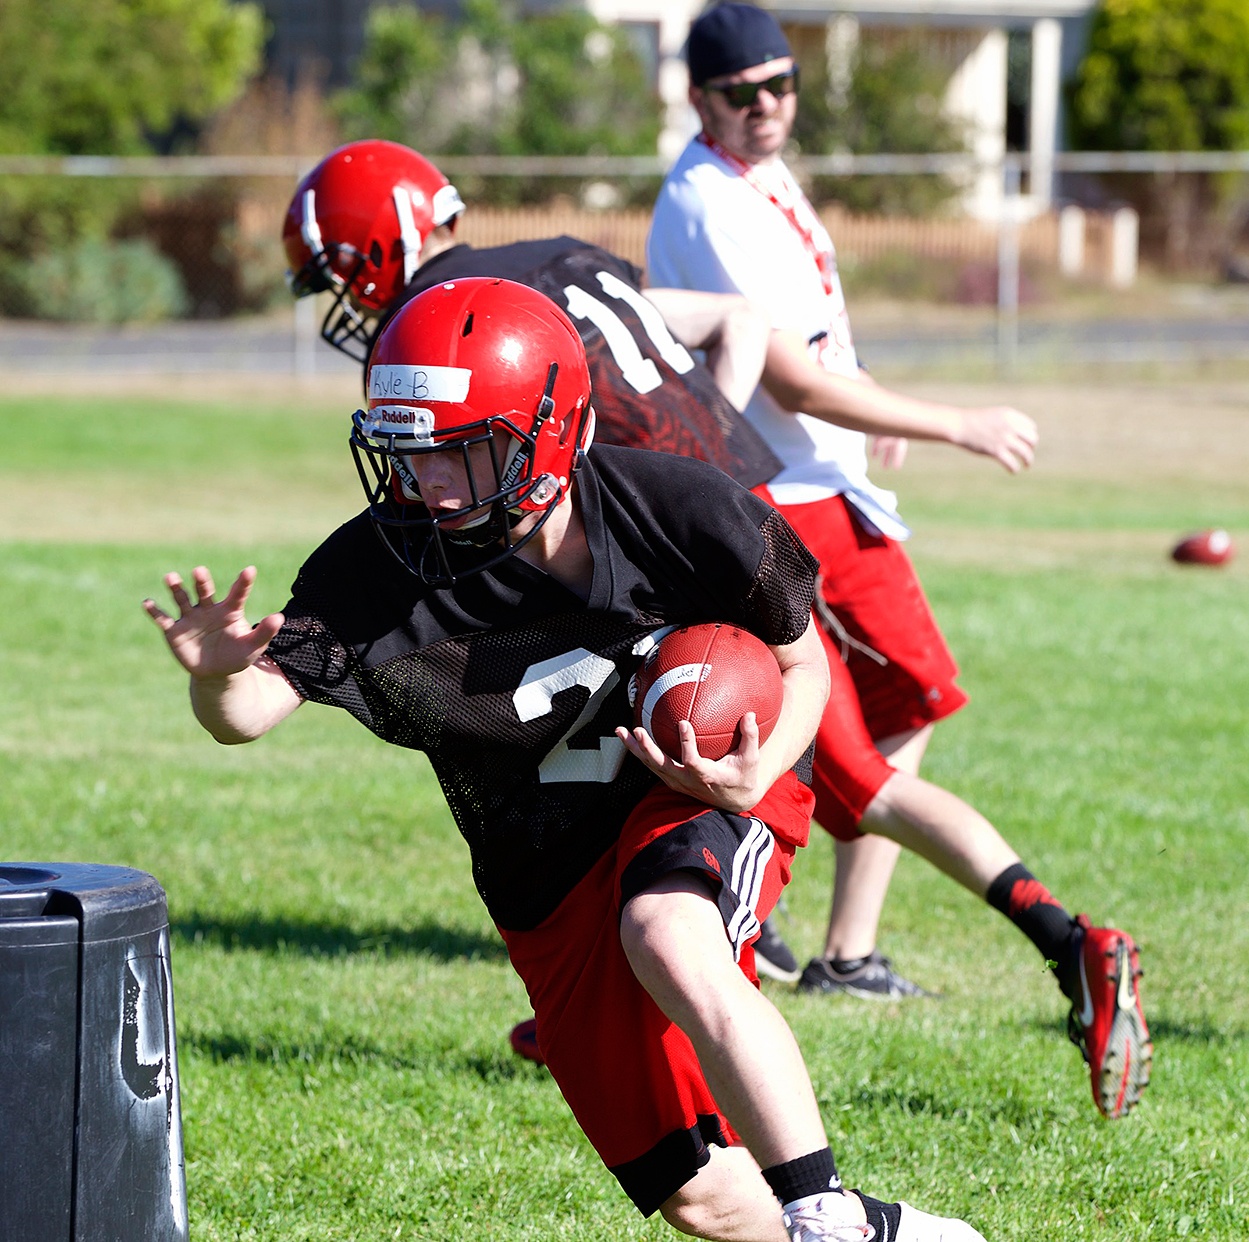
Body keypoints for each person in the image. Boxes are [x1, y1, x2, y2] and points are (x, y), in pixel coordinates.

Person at [144, 277, 987, 1241]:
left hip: (692, 781)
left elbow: (803, 665)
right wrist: (215, 676)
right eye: (411, 455)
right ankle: (882, 1234)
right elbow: (246, 715)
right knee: (700, 1196)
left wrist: (761, 771)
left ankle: (823, 1207)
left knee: (666, 928)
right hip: (540, 862)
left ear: (549, 436)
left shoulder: (681, 508)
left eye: (463, 452)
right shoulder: (377, 561)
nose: (433, 485)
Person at [647, 1, 1150, 1119]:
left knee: (885, 719)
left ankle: (808, 943)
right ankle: (1061, 939)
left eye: (781, 85)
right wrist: (948, 420)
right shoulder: (702, 199)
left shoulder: (763, 176)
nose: (768, 106)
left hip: (834, 496)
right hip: (778, 511)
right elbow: (785, 375)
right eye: (744, 92)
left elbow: (820, 330)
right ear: (699, 99)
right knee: (831, 770)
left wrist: (871, 402)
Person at [282, 137, 802, 987]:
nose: (339, 301)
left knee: (809, 747)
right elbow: (734, 316)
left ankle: (1034, 922)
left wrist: (689, 482)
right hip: (675, 519)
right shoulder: (563, 256)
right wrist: (710, 453)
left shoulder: (458, 321)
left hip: (673, 541)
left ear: (380, 245)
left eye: (336, 272)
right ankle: (696, 927)